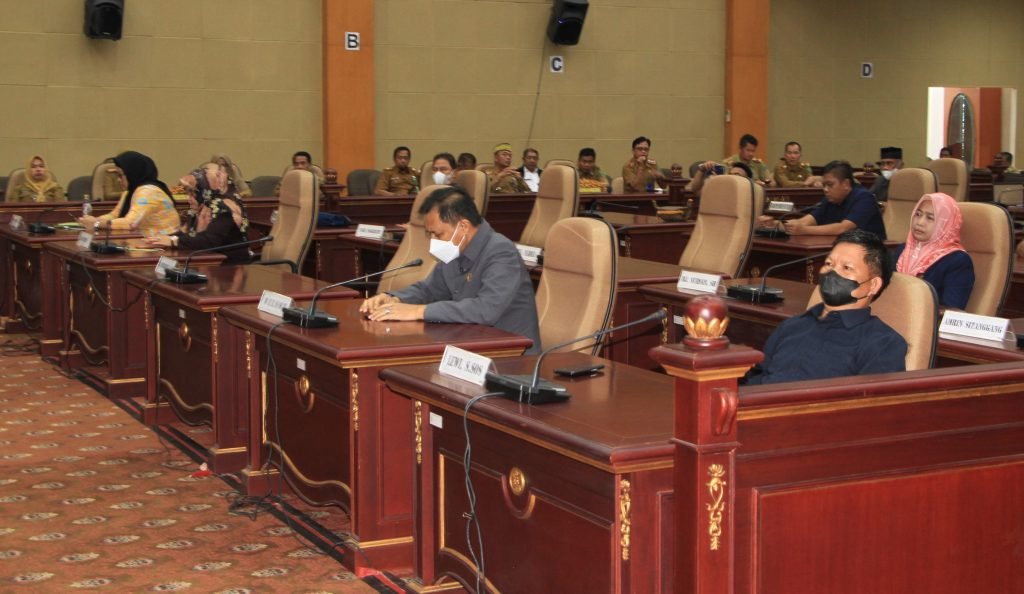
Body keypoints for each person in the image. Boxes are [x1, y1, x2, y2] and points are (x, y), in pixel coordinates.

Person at [359, 186, 541, 354]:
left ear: (463, 226)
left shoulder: (500, 251)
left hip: (512, 356)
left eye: (438, 234)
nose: (433, 242)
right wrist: (394, 298)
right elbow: (430, 290)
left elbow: (485, 309)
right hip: (471, 345)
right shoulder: (456, 248)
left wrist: (418, 311)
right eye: (430, 234)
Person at [745, 229, 907, 384]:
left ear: (873, 285)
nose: (832, 272)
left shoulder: (884, 343)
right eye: (829, 263)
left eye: (846, 268)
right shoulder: (792, 325)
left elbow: (870, 401)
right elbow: (756, 377)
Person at [143, 162, 251, 261]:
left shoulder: (222, 207)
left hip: (229, 265)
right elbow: (186, 234)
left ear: (204, 190)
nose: (189, 199)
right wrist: (159, 239)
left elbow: (209, 241)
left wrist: (173, 241)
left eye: (193, 193)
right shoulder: (202, 206)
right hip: (206, 259)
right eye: (188, 193)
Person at [760, 160, 886, 239]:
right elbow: (803, 222)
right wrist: (775, 224)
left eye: (830, 185)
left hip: (872, 254)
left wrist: (804, 230)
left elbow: (844, 228)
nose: (825, 189)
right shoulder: (830, 200)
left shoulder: (864, 198)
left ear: (846, 184)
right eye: (824, 185)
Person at [893, 193, 975, 309]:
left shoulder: (957, 261)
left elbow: (951, 309)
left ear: (945, 223)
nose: (920, 222)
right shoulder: (903, 250)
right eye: (918, 214)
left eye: (930, 218)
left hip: (926, 319)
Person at [78, 151, 179, 236]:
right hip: (145, 242)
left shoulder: (148, 191)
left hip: (163, 245)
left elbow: (130, 223)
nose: (118, 180)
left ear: (133, 173)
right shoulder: (129, 191)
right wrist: (90, 220)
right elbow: (114, 215)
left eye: (120, 175)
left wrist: (96, 223)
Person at [685, 160, 752, 197]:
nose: (732, 177)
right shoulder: (721, 190)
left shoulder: (749, 196)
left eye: (737, 175)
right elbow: (696, 190)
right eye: (730, 174)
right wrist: (702, 170)